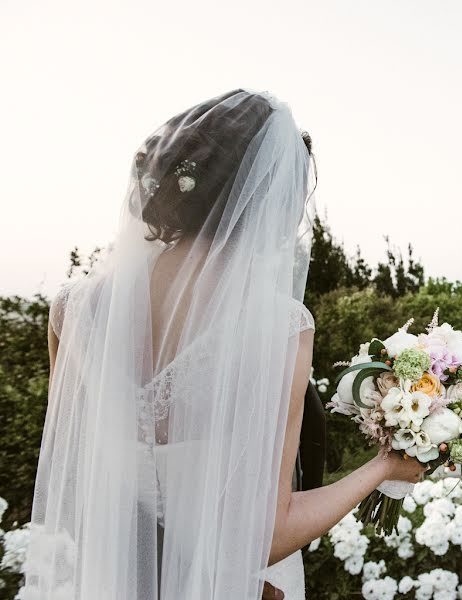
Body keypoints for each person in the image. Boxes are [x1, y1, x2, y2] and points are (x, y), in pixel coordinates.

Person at [29, 89, 425, 600]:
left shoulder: (71, 309)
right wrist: (385, 466)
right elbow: (266, 538)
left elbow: (78, 472)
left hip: (116, 577)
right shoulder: (279, 327)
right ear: (264, 201)